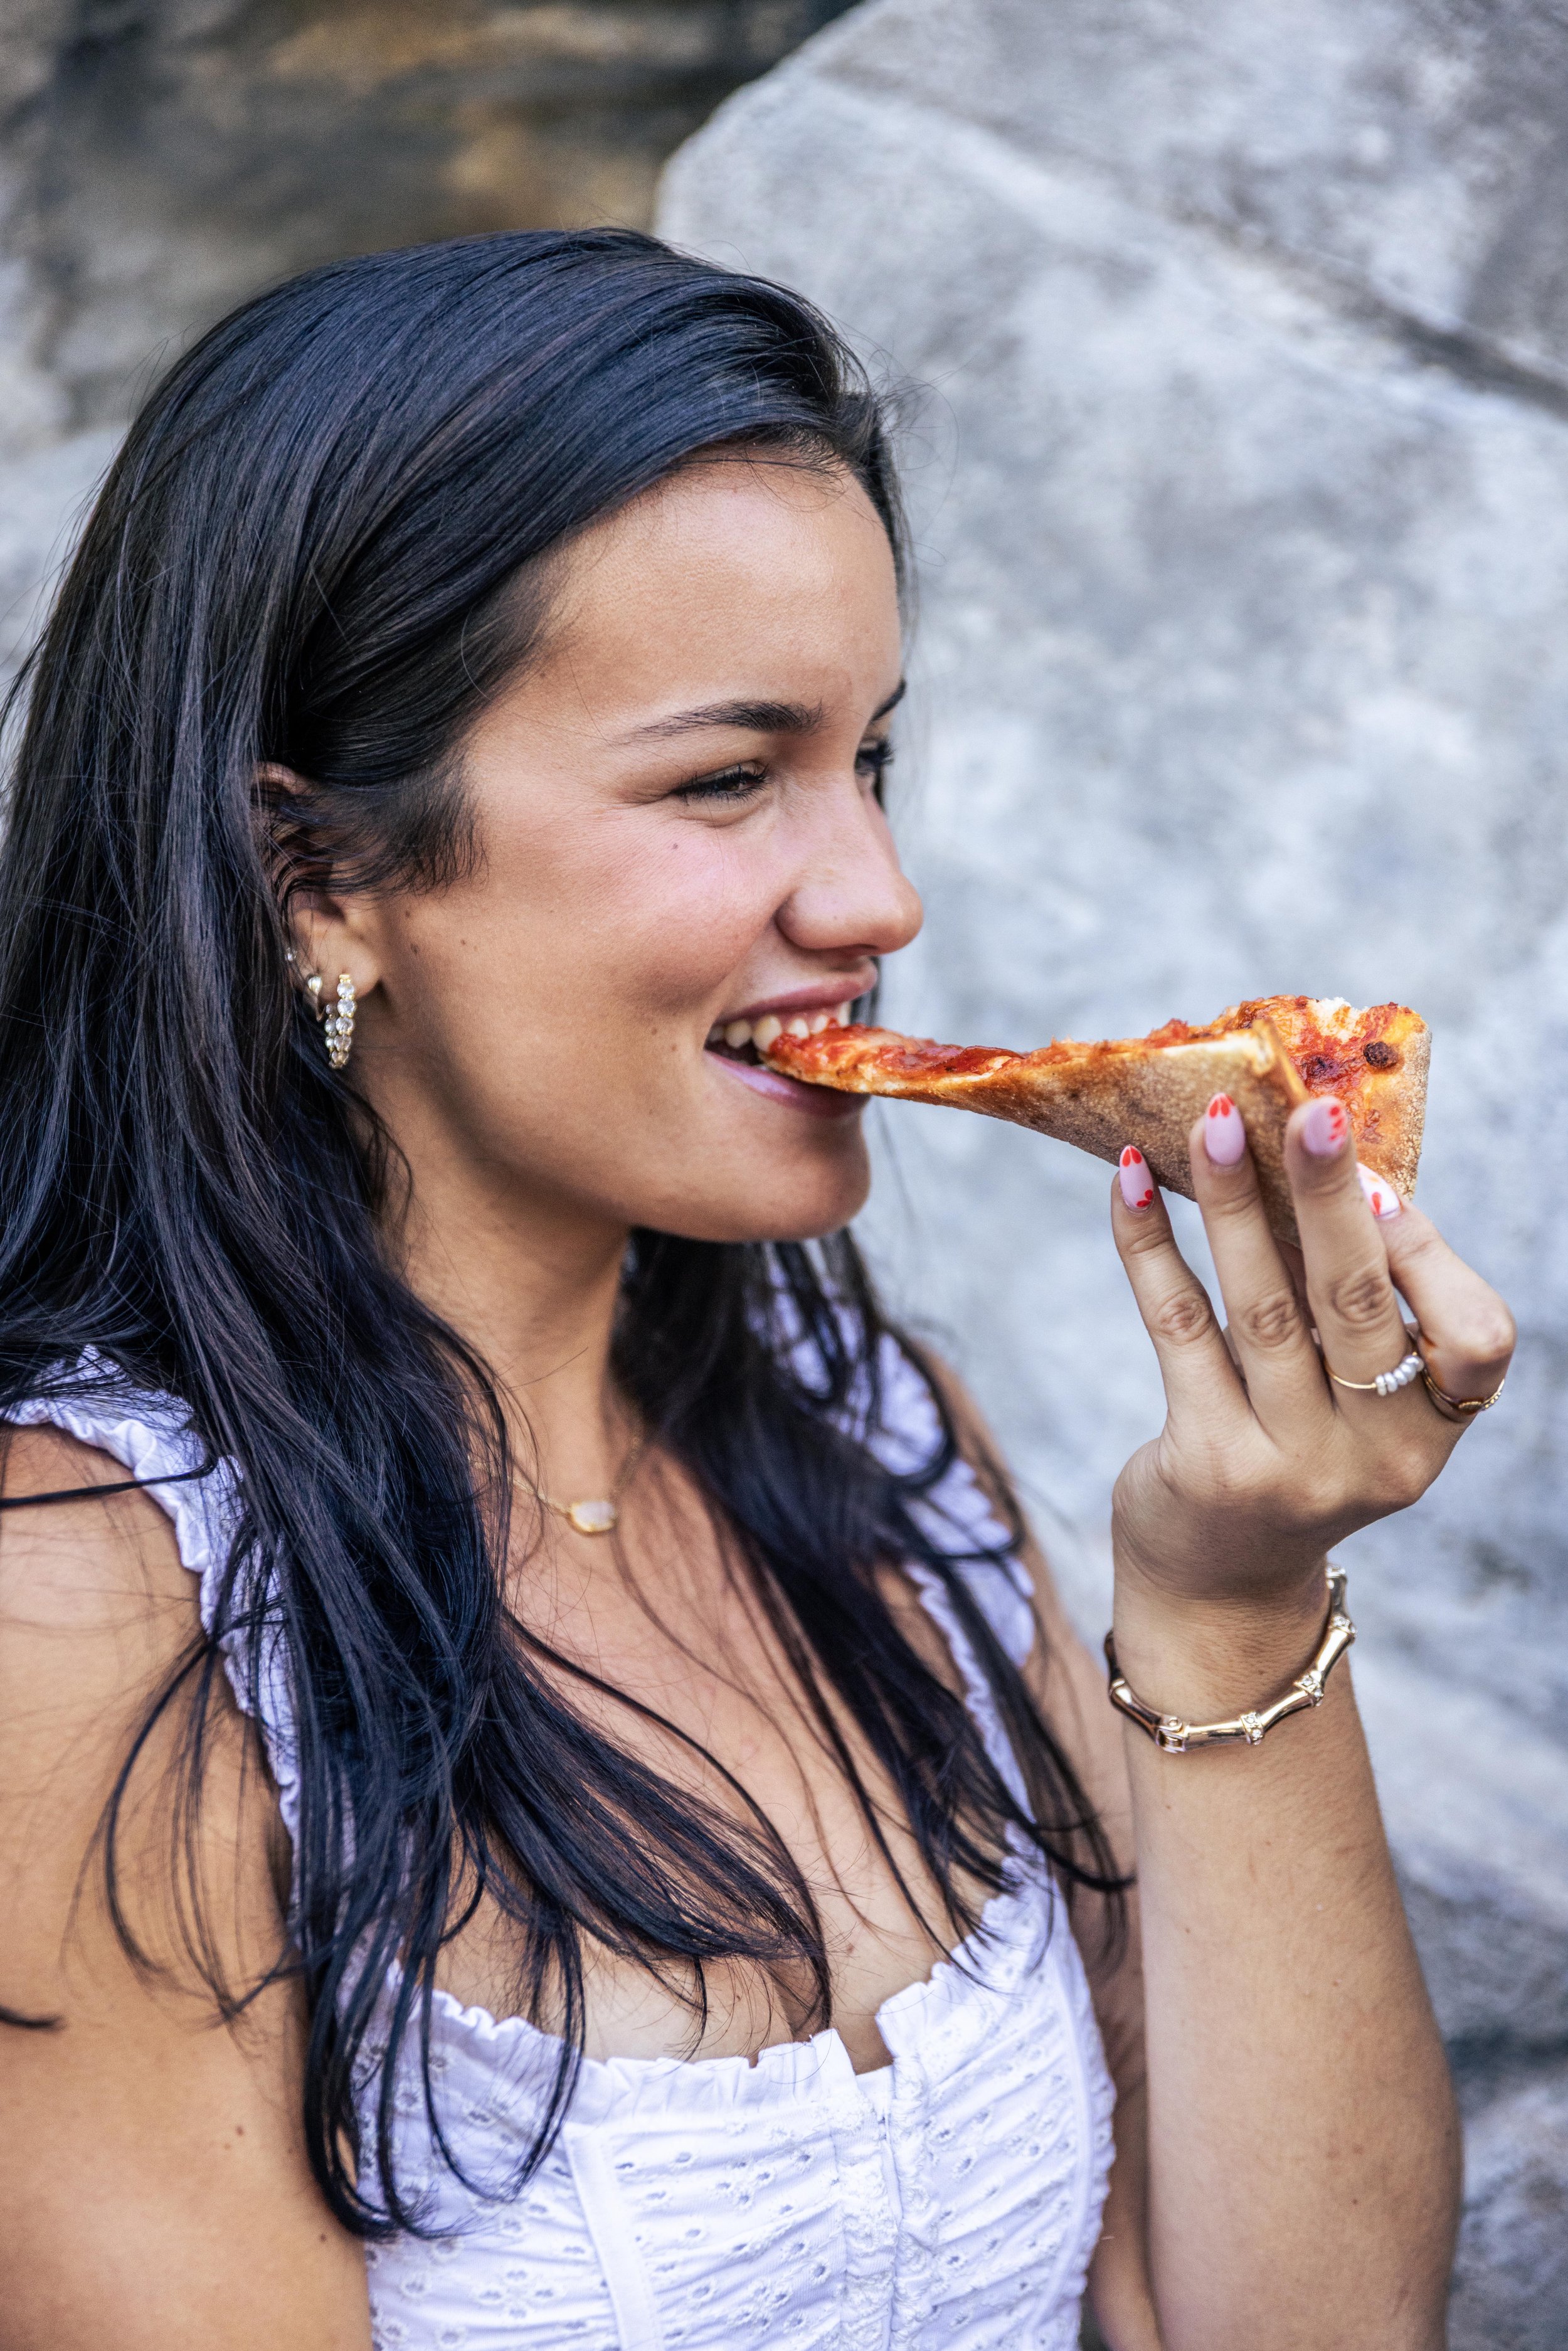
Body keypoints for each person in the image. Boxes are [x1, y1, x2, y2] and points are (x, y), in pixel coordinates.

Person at [0, 230, 1512, 2351]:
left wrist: (1237, 1599)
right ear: (317, 877)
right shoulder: (82, 1610)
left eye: (870, 755)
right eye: (728, 776)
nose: (877, 893)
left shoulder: (889, 1452)